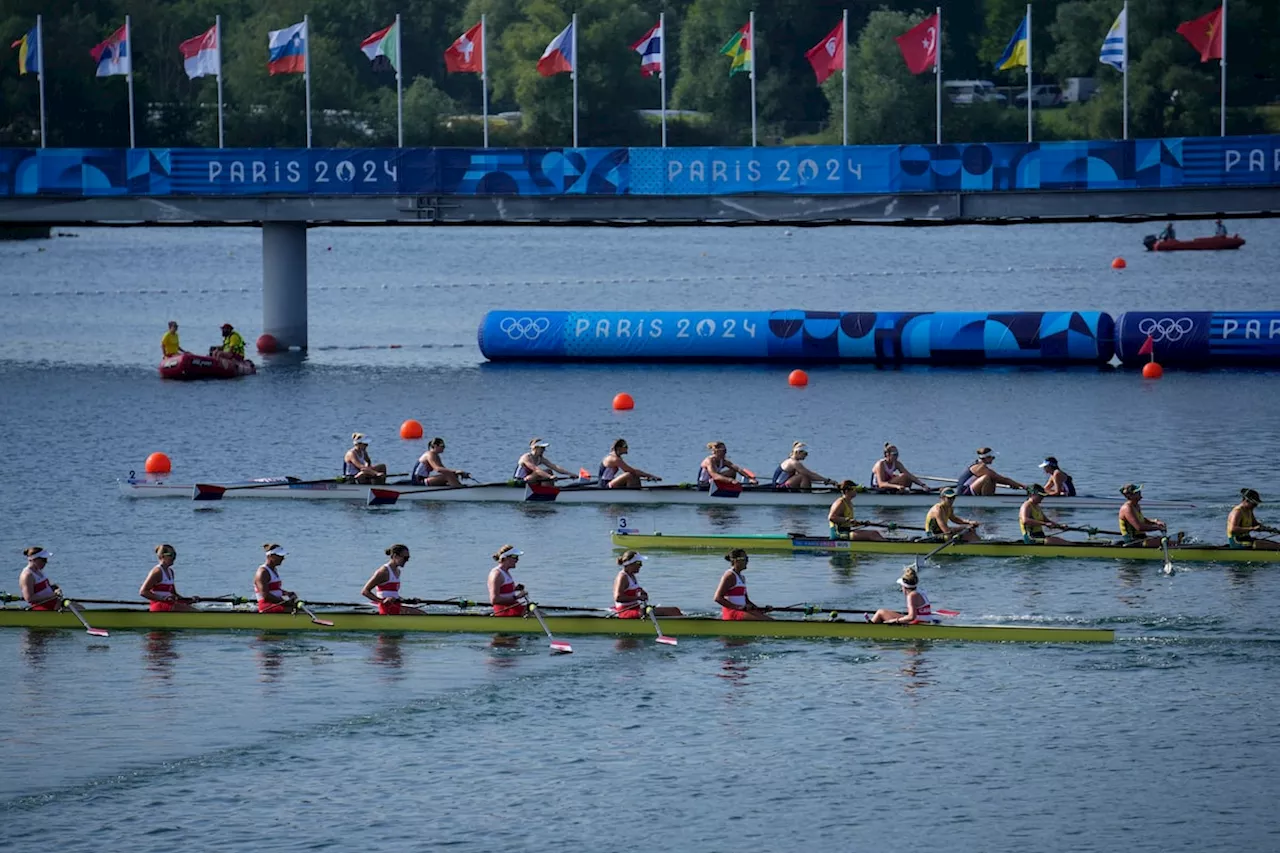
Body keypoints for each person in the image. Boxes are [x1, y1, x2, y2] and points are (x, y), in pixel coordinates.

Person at [612, 551, 683, 618]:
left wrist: (642, 592)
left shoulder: (631, 575)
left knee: (675, 610)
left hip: (635, 608)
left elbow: (632, 590)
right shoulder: (622, 577)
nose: (641, 565)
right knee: (673, 611)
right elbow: (618, 598)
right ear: (631, 563)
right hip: (625, 611)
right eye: (639, 563)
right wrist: (638, 598)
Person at [361, 544, 426, 614]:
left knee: (421, 613)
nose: (407, 561)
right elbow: (365, 591)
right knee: (421, 614)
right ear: (395, 556)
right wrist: (381, 601)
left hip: (395, 606)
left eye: (408, 558)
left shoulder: (398, 571)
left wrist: (408, 601)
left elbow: (393, 594)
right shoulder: (383, 572)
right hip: (385, 607)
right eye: (405, 558)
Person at [713, 549, 772, 621]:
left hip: (741, 611)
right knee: (768, 621)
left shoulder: (742, 577)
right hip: (732, 613)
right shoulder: (729, 576)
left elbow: (746, 601)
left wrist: (762, 610)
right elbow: (717, 598)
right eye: (744, 559)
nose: (747, 561)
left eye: (747, 558)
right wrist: (738, 607)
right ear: (735, 561)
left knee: (769, 619)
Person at [869, 566, 941, 625]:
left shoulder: (911, 596)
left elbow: (912, 617)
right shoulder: (920, 592)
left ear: (904, 587)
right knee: (884, 612)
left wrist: (894, 621)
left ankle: (869, 629)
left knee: (880, 612)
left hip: (919, 623)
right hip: (925, 621)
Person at [139, 544, 198, 612]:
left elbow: (174, 594)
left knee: (196, 608)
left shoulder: (171, 572)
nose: (174, 557)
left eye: (175, 555)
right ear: (162, 556)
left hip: (169, 603)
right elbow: (143, 592)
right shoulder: (157, 571)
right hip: (159, 605)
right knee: (195, 612)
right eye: (171, 555)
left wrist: (189, 600)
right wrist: (163, 598)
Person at [957, 447, 1025, 496]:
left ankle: (989, 498)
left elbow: (999, 478)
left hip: (968, 489)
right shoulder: (980, 468)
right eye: (992, 457)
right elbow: (1002, 479)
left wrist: (1013, 484)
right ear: (987, 458)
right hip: (964, 493)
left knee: (993, 478)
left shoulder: (979, 465)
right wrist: (1024, 486)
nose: (993, 459)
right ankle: (987, 500)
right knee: (986, 478)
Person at [773, 442, 837, 489]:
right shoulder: (794, 463)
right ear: (798, 452)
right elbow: (810, 475)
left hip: (781, 484)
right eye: (805, 453)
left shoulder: (791, 460)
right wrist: (827, 480)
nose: (807, 455)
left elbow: (812, 476)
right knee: (804, 476)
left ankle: (804, 494)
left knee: (804, 475)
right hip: (779, 487)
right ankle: (806, 496)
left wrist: (825, 480)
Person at [254, 544, 297, 613]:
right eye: (280, 556)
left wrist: (287, 593)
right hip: (266, 606)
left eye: (283, 556)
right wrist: (285, 602)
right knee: (296, 610)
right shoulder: (262, 572)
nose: (283, 558)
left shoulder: (273, 570)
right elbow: (266, 596)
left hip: (276, 604)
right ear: (270, 556)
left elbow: (274, 589)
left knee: (297, 608)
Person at [488, 544, 527, 616]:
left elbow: (503, 591)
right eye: (515, 557)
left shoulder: (505, 572)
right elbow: (494, 600)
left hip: (513, 608)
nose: (517, 560)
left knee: (536, 610)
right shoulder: (497, 575)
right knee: (539, 614)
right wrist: (517, 597)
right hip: (505, 612)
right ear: (505, 558)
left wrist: (515, 589)